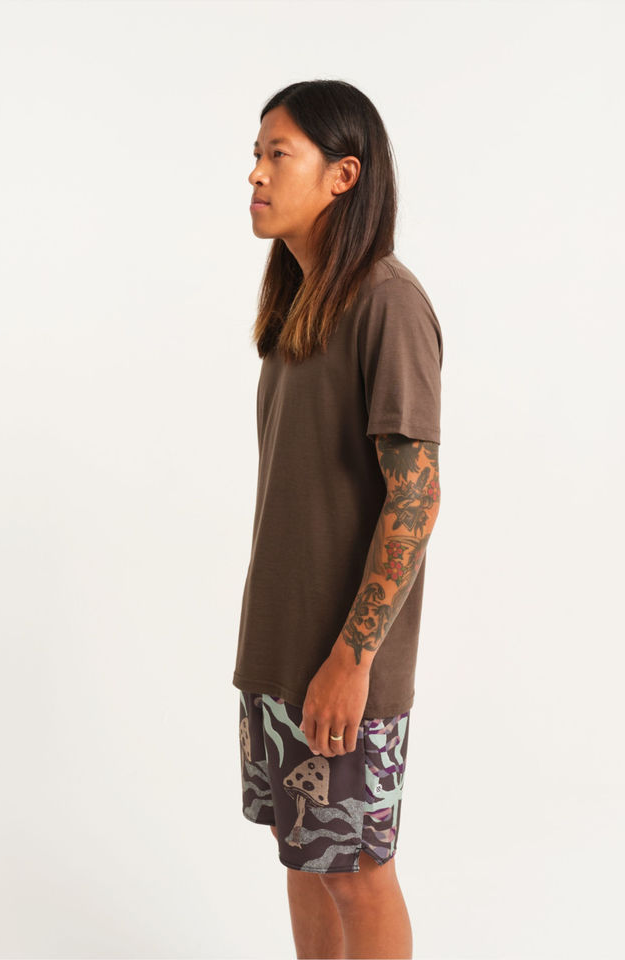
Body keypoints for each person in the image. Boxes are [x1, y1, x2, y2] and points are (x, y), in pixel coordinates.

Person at [233, 79, 443, 960]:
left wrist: (351, 662)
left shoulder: (388, 302)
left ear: (343, 174)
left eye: (277, 154)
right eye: (255, 155)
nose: (255, 174)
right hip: (281, 651)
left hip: (343, 667)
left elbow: (416, 497)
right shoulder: (299, 304)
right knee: (306, 857)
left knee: (357, 870)